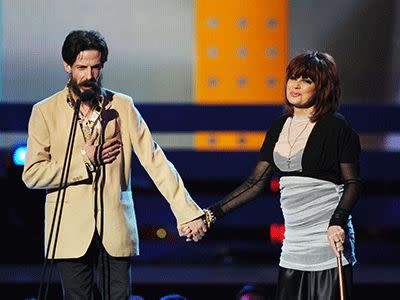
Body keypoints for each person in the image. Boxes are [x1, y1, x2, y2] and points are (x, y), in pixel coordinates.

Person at [22, 29, 206, 300]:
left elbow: (155, 160)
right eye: (81, 67)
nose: (89, 76)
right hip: (69, 231)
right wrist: (84, 159)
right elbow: (32, 174)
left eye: (96, 68)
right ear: (67, 66)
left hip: (115, 228)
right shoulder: (45, 112)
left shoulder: (121, 106)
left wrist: (186, 211)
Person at [180, 51, 361, 299]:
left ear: (323, 88)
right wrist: (209, 216)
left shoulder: (337, 127)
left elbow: (353, 183)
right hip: (293, 247)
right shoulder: (279, 127)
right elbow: (255, 183)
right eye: (293, 77)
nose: (296, 85)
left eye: (307, 80)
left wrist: (338, 221)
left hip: (328, 243)